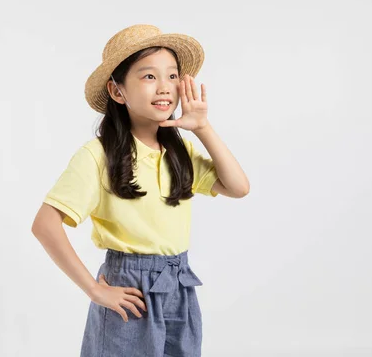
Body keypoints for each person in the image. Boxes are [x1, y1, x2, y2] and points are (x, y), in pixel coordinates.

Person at [31, 24, 250, 357]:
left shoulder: (180, 153)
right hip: (129, 288)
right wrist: (94, 289)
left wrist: (203, 127)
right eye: (149, 77)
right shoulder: (99, 156)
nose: (165, 87)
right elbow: (45, 224)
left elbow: (238, 187)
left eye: (173, 76)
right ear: (118, 92)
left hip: (179, 283)